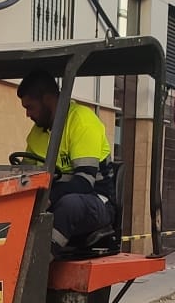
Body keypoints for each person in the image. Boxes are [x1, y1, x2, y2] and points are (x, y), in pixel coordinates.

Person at [15, 69, 114, 258]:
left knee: (70, 206)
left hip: (96, 201)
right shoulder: (37, 133)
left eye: (30, 107)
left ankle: (39, 263)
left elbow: (84, 183)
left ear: (47, 99)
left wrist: (48, 199)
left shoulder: (82, 122)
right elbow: (26, 175)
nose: (28, 114)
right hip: (57, 198)